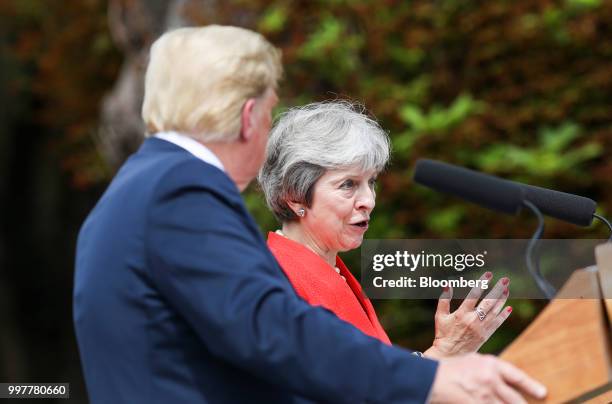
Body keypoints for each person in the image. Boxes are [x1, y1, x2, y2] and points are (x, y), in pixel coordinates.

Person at [73, 25, 547, 403]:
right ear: (248, 117)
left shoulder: (139, 186)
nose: (368, 199)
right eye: (270, 112)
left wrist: (439, 359)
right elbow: (276, 333)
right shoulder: (179, 191)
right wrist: (431, 381)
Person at [258, 101, 512, 357]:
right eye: (348, 184)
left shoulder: (329, 271)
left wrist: (445, 353)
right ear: (295, 196)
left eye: (372, 182)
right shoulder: (279, 281)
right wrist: (441, 355)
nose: (368, 200)